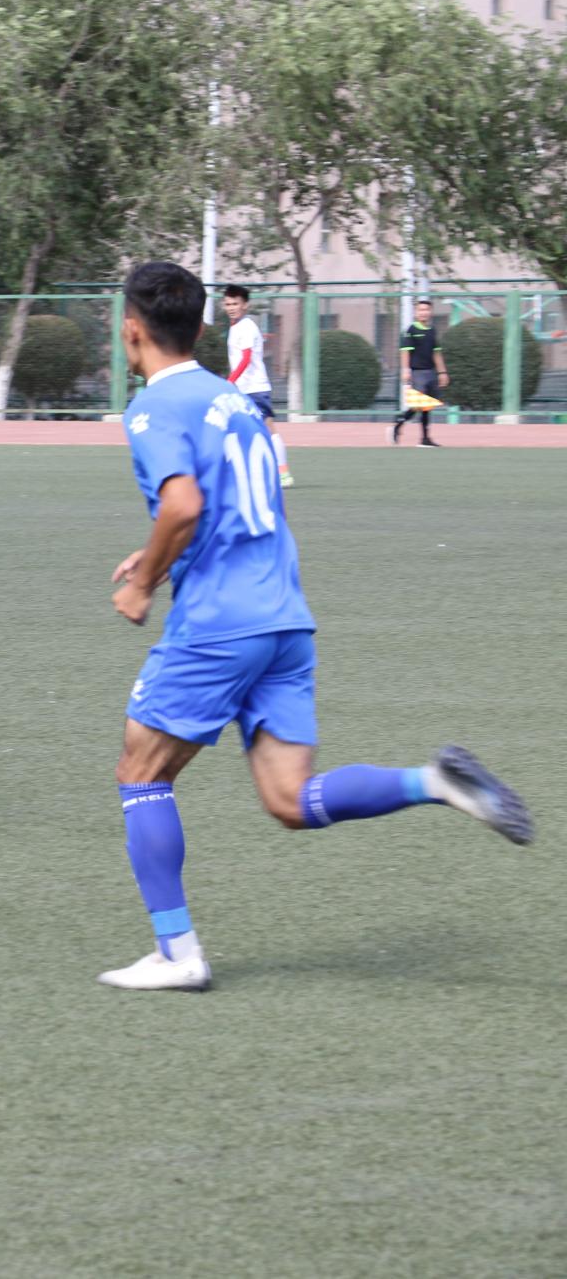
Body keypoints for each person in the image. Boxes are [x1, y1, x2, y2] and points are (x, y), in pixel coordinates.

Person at [101, 261, 530, 992]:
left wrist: (144, 583)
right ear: (201, 327)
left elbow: (184, 504)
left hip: (220, 625)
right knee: (290, 800)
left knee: (140, 774)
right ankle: (434, 782)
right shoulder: (235, 400)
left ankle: (177, 953)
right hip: (283, 618)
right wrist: (164, 555)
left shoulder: (151, 408)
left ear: (131, 329)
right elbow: (242, 504)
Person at [221, 285, 290, 487]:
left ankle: (283, 472)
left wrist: (230, 381)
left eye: (235, 304)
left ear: (245, 305)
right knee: (236, 429)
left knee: (267, 428)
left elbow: (246, 358)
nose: (231, 308)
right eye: (228, 304)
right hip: (241, 389)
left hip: (254, 388)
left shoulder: (247, 326)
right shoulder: (235, 327)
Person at [393, 297, 448, 446]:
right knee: (420, 404)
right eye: (421, 310)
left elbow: (436, 353)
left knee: (426, 406)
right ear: (416, 313)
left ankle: (424, 439)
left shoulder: (432, 331)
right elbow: (405, 351)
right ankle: (398, 423)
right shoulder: (411, 330)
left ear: (430, 312)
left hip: (431, 372)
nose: (424, 312)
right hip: (417, 373)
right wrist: (406, 370)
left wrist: (442, 372)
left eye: (426, 310)